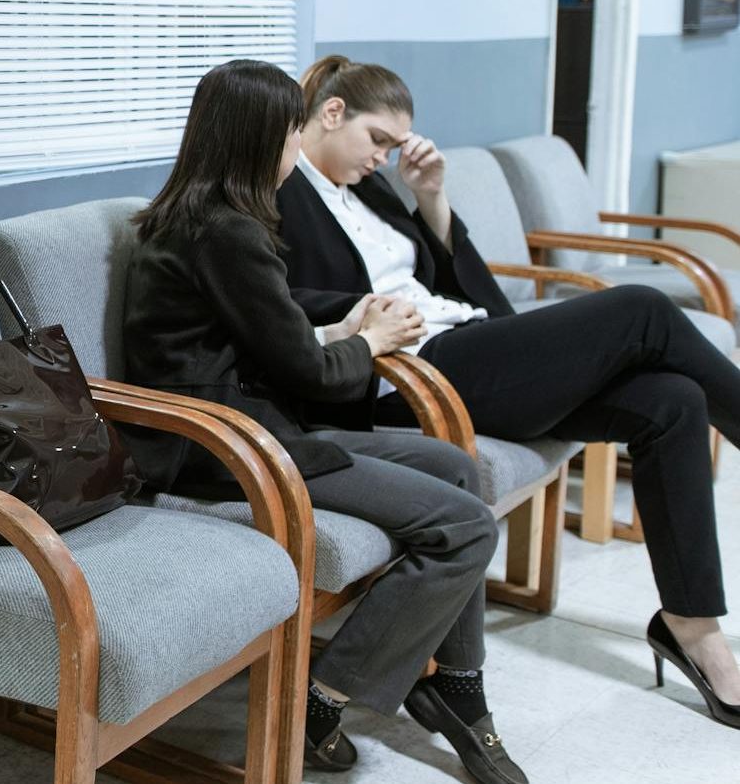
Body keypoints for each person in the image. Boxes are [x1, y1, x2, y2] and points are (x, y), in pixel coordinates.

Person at [278, 54, 740, 729]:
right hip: (410, 371)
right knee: (642, 308)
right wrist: (372, 314)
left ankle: (692, 627)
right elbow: (278, 305)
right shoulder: (282, 186)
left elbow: (457, 285)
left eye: (394, 147)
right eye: (377, 139)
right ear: (332, 113)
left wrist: (431, 197)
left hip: (464, 344)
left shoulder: (372, 188)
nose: (382, 158)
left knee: (674, 401)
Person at [123, 60, 528, 783]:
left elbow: (266, 325)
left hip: (251, 427)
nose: (293, 150)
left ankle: (457, 684)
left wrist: (346, 322)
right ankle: (323, 695)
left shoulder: (206, 217)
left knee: (459, 467)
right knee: (466, 525)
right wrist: (369, 342)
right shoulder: (227, 232)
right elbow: (305, 371)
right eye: (287, 135)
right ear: (257, 140)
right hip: (227, 449)